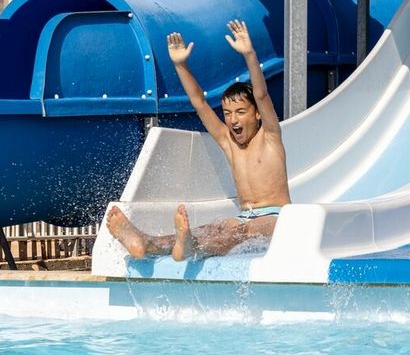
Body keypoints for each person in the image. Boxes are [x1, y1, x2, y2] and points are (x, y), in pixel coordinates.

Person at [106, 19, 291, 261]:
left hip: (278, 218)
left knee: (240, 231)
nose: (233, 119)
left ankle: (194, 247)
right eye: (227, 113)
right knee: (212, 228)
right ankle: (145, 241)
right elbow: (200, 103)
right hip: (244, 215)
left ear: (257, 114)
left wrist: (249, 54)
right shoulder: (229, 142)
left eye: (241, 112)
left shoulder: (270, 136)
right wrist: (180, 64)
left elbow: (261, 93)